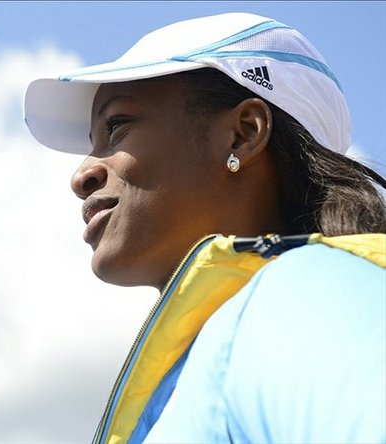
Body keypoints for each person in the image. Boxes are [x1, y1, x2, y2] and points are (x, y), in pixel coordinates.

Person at [24, 12, 386, 444]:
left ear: (243, 134)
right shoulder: (202, 365)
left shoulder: (306, 297)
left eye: (116, 126)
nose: (82, 174)